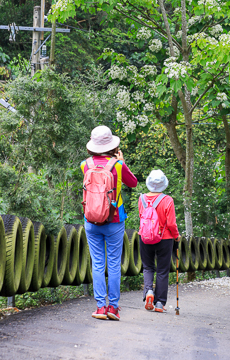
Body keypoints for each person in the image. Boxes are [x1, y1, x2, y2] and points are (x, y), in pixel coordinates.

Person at [82, 125, 137, 321]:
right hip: (114, 219)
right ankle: (113, 308)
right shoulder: (118, 166)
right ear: (112, 145)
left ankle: (100, 307)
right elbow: (133, 183)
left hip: (91, 219)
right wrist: (121, 162)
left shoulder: (85, 165)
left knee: (97, 263)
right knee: (113, 264)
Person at [138, 169, 180, 313]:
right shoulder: (168, 200)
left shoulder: (141, 199)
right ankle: (160, 303)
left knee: (148, 267)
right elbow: (171, 224)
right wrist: (176, 236)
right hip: (164, 238)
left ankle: (149, 291)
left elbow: (141, 218)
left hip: (144, 237)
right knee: (162, 271)